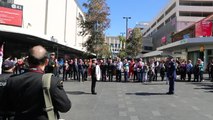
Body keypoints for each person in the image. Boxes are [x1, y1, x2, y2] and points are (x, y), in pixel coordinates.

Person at [3, 45, 71, 120]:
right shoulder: (51, 81)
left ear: (28, 61)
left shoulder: (12, 80)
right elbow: (65, 107)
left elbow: (6, 107)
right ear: (46, 61)